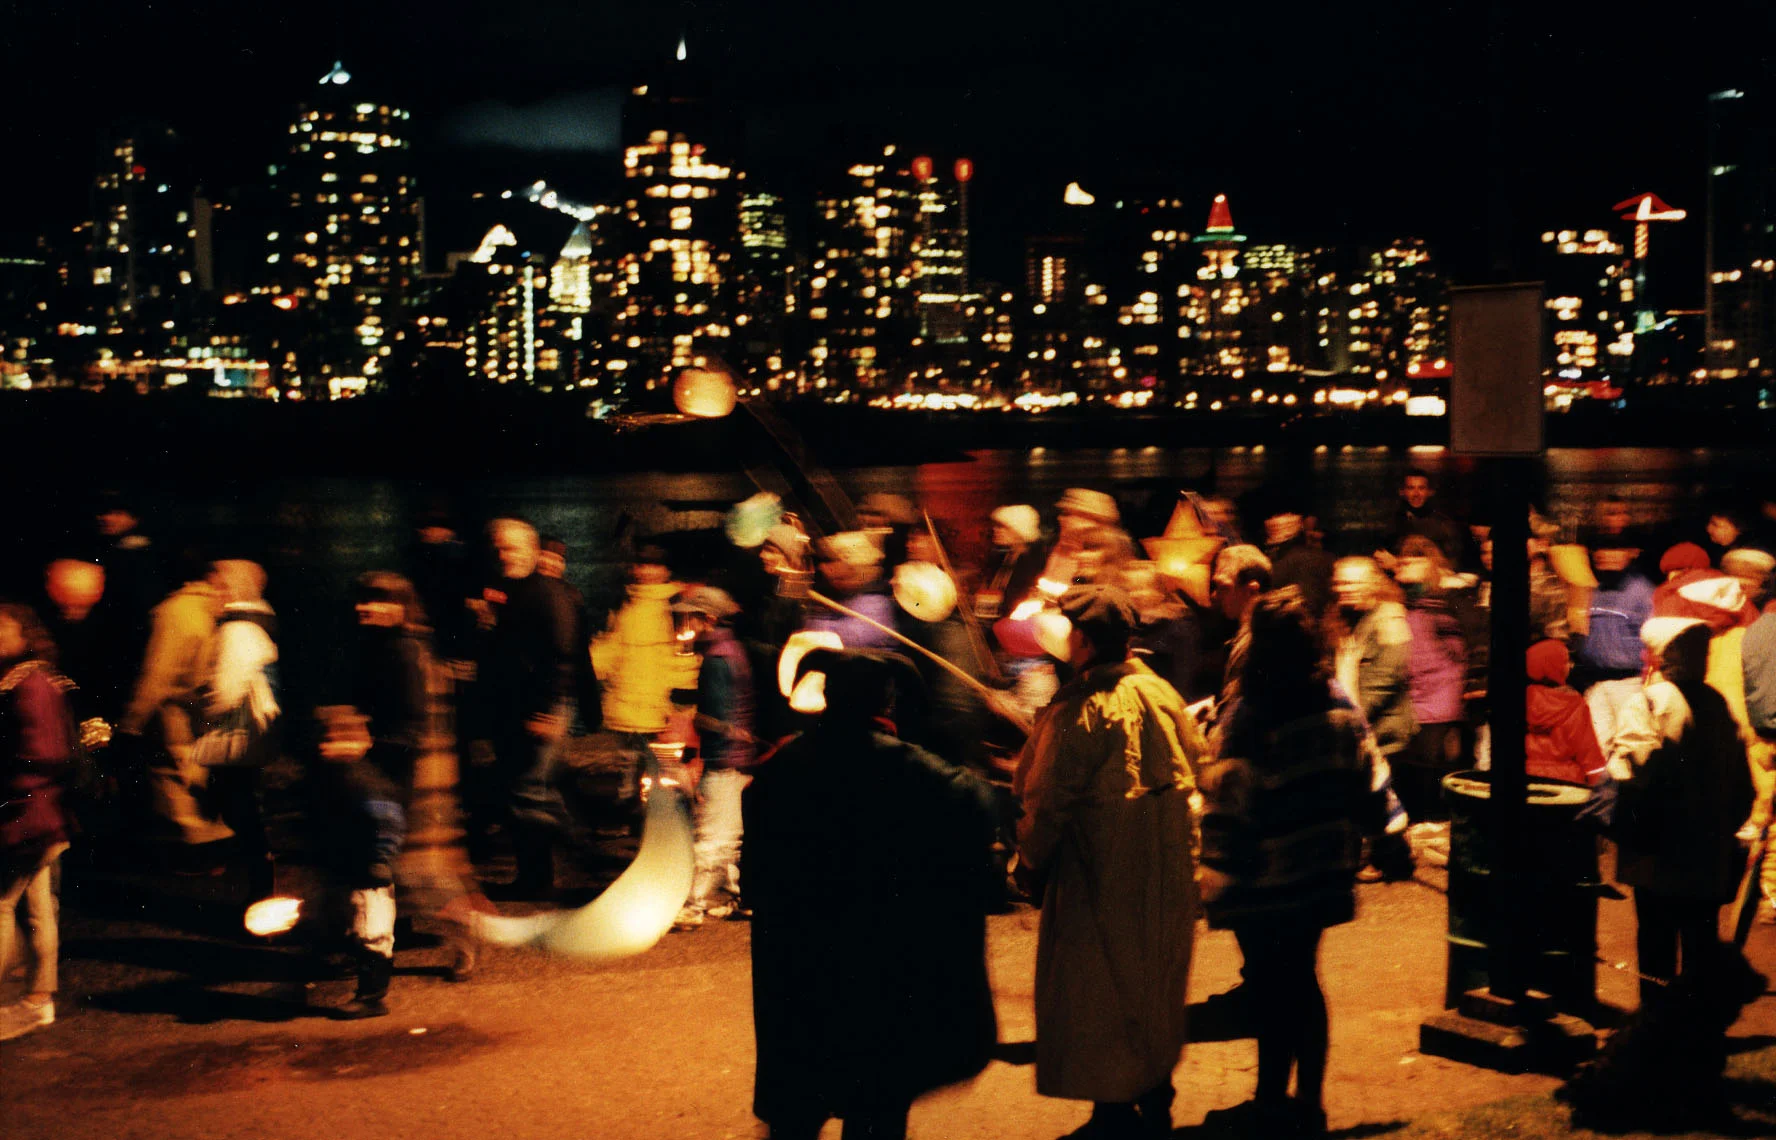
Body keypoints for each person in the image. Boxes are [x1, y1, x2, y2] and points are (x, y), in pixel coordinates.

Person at [744, 648, 998, 1140]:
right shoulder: (916, 770)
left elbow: (755, 866)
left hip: (799, 956)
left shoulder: (784, 765)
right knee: (876, 1095)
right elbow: (978, 806)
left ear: (828, 697)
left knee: (800, 1091)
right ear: (886, 703)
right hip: (879, 956)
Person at [1014, 584, 1206, 1137]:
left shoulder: (1081, 707)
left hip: (1100, 875)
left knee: (1100, 989)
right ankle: (1154, 1095)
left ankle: (1115, 1113)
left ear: (1082, 640)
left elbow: (1047, 797)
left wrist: (1030, 862)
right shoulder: (1161, 693)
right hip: (1165, 872)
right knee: (1153, 983)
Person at [1199, 589, 1386, 1136]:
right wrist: (1385, 833)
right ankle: (1307, 1102)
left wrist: (1215, 877)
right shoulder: (1335, 700)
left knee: (1271, 988)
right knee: (1303, 981)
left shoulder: (1249, 715)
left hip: (1264, 880)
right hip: (1322, 872)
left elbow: (1230, 806)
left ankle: (1271, 1101)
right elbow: (1368, 774)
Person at [1616, 617, 1754, 1000]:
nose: (1701, 659)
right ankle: (1691, 1020)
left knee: (1658, 941)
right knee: (1698, 939)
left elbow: (1634, 772)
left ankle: (1657, 1018)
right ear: (1667, 655)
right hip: (1701, 848)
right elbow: (1741, 785)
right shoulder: (1715, 704)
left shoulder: (1650, 701)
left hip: (1659, 850)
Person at [475, 518, 579, 898]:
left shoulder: (548, 594)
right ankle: (535, 875)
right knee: (522, 791)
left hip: (540, 707)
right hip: (514, 708)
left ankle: (575, 857)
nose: (506, 556)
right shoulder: (505, 591)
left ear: (534, 551)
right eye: (500, 548)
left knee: (531, 791)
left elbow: (562, 654)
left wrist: (550, 708)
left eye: (513, 548)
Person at [0, 604, 77, 1041]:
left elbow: (45, 751)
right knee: (38, 905)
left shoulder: (27, 684)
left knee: (2, 904)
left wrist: (12, 781)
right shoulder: (41, 678)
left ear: (25, 634)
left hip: (26, 814)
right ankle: (39, 999)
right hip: (45, 815)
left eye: (3, 629)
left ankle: (22, 997)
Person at [118, 556, 231, 849]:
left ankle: (200, 850)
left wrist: (132, 721)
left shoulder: (178, 611)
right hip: (194, 713)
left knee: (175, 785)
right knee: (187, 781)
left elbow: (158, 671)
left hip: (175, 715)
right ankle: (207, 847)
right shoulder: (202, 611)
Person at [193, 559, 282, 904]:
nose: (211, 593)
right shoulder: (259, 622)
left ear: (232, 590)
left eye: (217, 586)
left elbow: (227, 691)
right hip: (254, 738)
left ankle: (259, 900)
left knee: (242, 814)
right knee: (246, 811)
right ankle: (258, 893)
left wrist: (202, 707)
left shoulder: (237, 630)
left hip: (239, 738)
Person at [673, 586, 758, 928]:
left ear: (708, 619)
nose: (685, 624)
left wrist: (695, 723)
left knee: (712, 835)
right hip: (739, 757)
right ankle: (743, 897)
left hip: (725, 757)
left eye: (690, 617)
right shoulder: (730, 649)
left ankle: (693, 906)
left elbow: (720, 716)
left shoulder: (716, 658)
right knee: (730, 833)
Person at [1330, 557, 1416, 880]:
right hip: (1364, 725)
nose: (1343, 589)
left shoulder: (1389, 618)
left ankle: (1385, 860)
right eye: (1339, 582)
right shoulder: (1355, 618)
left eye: (1351, 582)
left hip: (1384, 728)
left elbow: (1387, 677)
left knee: (1376, 794)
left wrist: (1351, 714)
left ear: (1373, 583)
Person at [1394, 536, 1470, 825]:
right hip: (1414, 697)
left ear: (1429, 564)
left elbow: (1457, 655)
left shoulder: (1441, 603)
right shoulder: (1407, 602)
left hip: (1438, 701)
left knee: (1431, 770)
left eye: (1412, 561)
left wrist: (1446, 694)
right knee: (1414, 770)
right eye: (1402, 561)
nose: (1404, 566)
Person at [1524, 639, 1610, 789]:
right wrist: (1600, 785)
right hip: (1565, 786)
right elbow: (1589, 756)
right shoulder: (1573, 704)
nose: (1570, 666)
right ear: (1553, 666)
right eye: (1565, 662)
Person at [1388, 469, 1462, 565]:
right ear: (1402, 492)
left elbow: (1453, 562)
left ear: (1430, 492)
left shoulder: (1444, 524)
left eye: (1421, 488)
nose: (1416, 494)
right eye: (1411, 488)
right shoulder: (1391, 523)